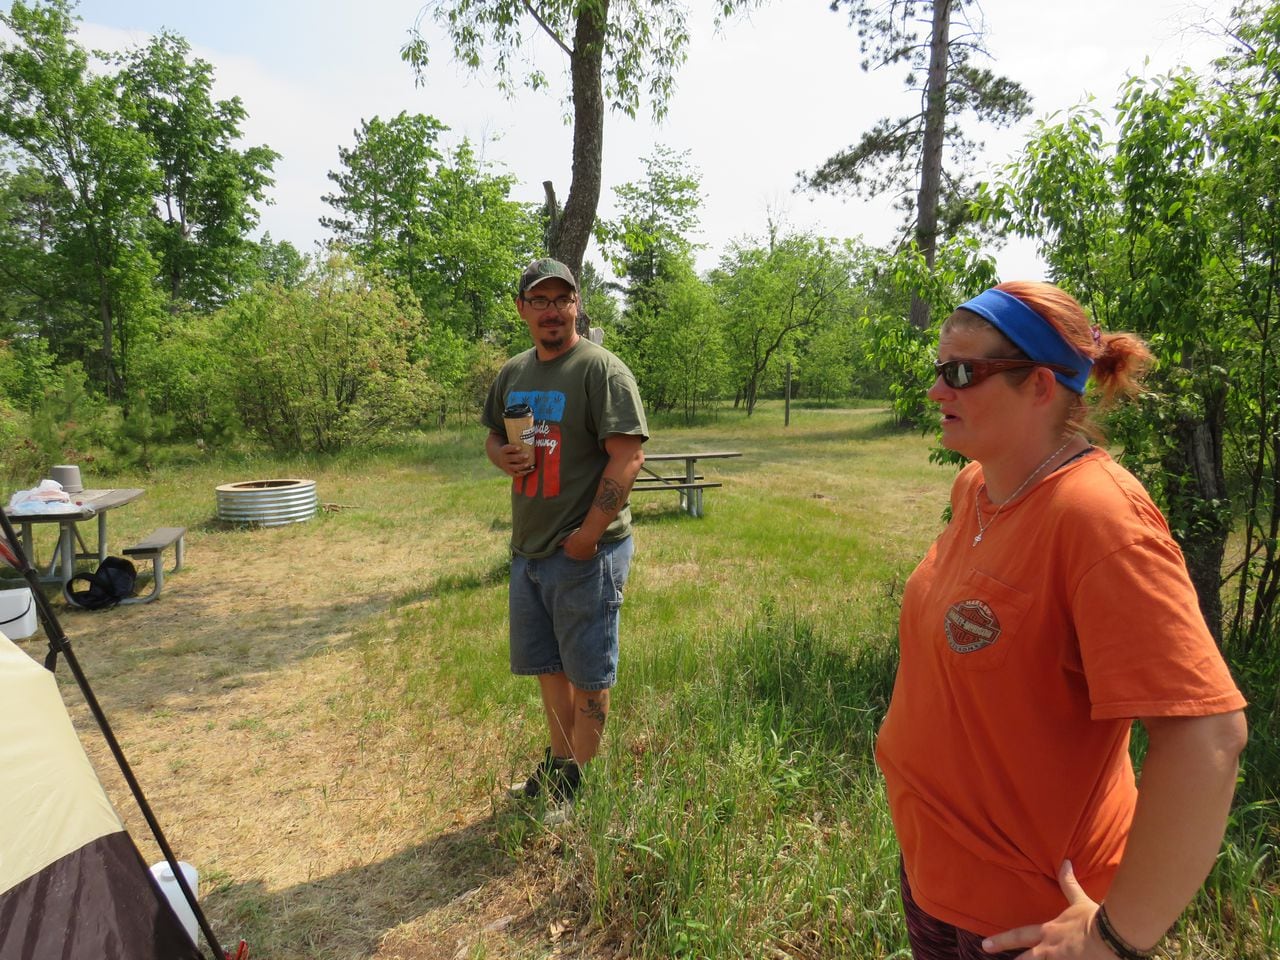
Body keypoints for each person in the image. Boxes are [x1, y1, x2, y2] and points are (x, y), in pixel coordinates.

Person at [875, 281, 1248, 960]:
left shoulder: (1099, 518)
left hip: (1030, 921)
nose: (937, 392)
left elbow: (1208, 737)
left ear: (1041, 386)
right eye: (939, 370)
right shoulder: (977, 488)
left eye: (962, 372)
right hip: (936, 879)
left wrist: (1116, 935)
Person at [482, 258, 648, 811]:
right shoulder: (514, 373)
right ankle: (559, 769)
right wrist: (501, 457)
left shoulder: (601, 370)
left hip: (584, 554)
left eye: (562, 299)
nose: (552, 310)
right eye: (540, 300)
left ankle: (579, 786)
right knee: (550, 671)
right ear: (522, 308)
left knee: (588, 677)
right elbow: (492, 439)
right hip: (528, 549)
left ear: (577, 303)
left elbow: (628, 458)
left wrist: (587, 537)